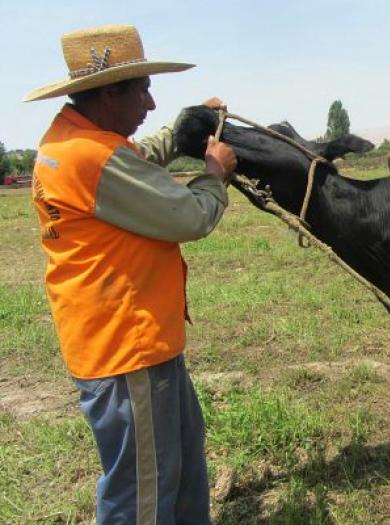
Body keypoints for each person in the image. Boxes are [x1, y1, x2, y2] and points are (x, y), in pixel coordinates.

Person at [25, 24, 237, 524]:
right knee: (143, 493)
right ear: (108, 93)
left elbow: (135, 159)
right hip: (128, 349)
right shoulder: (92, 157)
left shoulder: (72, 142)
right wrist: (214, 174)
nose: (151, 102)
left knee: (177, 470)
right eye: (142, 89)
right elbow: (189, 216)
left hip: (132, 342)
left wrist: (184, 128)